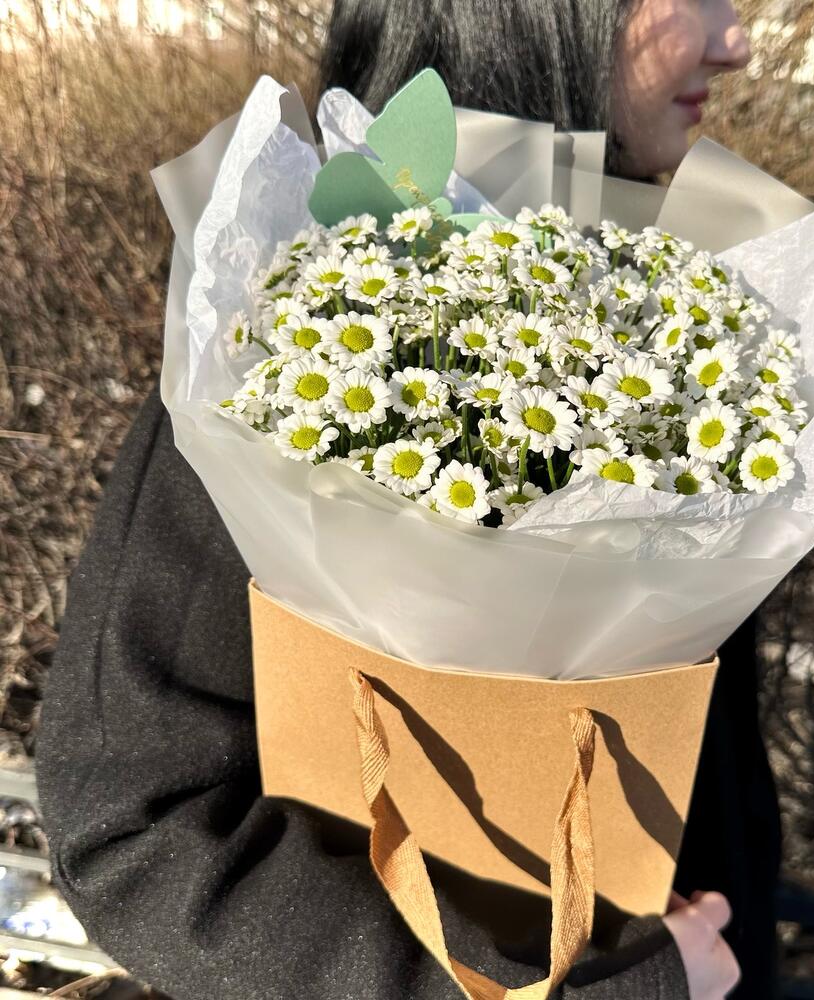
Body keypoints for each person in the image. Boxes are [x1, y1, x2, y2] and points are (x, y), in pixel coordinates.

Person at [35, 0, 773, 997]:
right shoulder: (289, 324)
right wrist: (613, 987)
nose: (736, 43)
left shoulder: (674, 319)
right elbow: (142, 828)